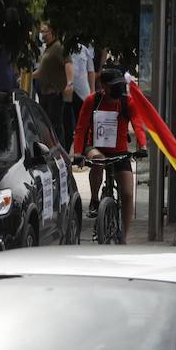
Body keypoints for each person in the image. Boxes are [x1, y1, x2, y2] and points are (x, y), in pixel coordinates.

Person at [72, 67, 148, 238]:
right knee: (98, 159)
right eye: (113, 85)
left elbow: (137, 123)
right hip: (96, 148)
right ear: (104, 86)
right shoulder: (92, 100)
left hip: (120, 151)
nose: (118, 89)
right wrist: (78, 152)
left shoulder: (127, 102)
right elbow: (81, 128)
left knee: (127, 193)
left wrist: (142, 146)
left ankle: (125, 236)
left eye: (120, 85)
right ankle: (94, 199)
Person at [35, 23, 74, 147]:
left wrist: (69, 83)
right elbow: (42, 71)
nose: (42, 34)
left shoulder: (58, 47)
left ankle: (59, 152)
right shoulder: (48, 49)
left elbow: (68, 64)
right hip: (45, 94)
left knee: (55, 126)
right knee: (46, 126)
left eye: (44, 31)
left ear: (52, 32)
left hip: (54, 94)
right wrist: (28, 76)